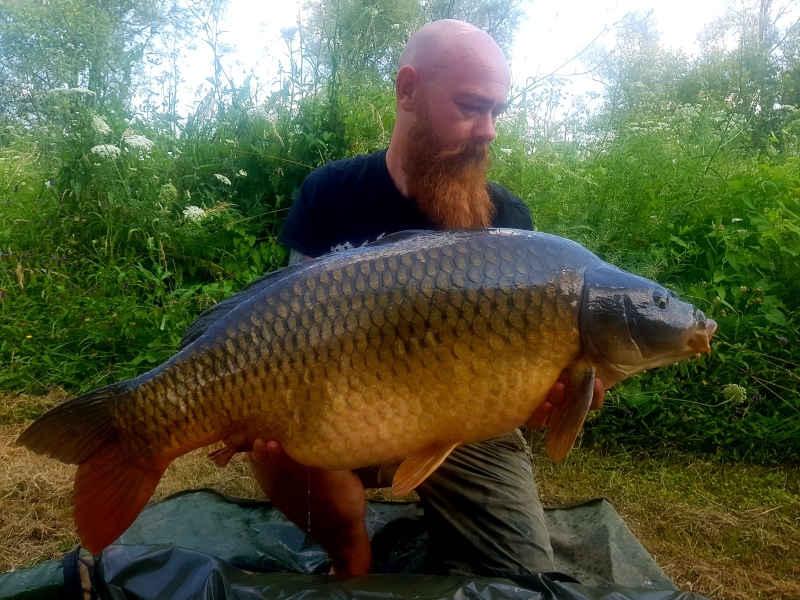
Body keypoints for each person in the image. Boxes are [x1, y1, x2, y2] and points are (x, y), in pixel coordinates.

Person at [247, 19, 605, 577]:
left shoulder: (509, 223)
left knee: (519, 580)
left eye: (496, 113)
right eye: (470, 107)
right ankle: (349, 555)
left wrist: (544, 400)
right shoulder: (332, 191)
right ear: (408, 89)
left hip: (467, 429)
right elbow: (287, 328)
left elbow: (531, 403)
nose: (487, 130)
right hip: (343, 412)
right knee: (274, 441)